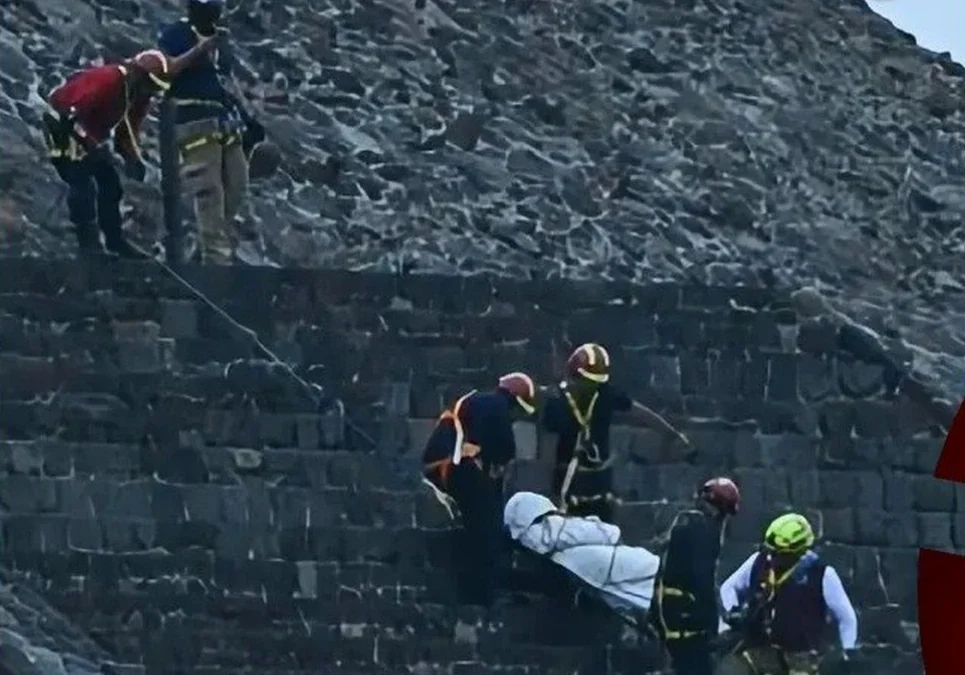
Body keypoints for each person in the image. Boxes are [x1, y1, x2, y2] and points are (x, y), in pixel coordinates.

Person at [42, 42, 216, 257]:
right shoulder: (109, 79)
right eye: (150, 85)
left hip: (88, 137)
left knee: (111, 185)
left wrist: (132, 158)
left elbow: (127, 130)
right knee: (82, 183)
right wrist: (89, 143)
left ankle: (115, 241)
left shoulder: (137, 95)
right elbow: (70, 111)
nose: (150, 92)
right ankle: (87, 244)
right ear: (138, 74)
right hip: (61, 125)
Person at [157, 0, 265, 264]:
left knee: (237, 186)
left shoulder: (220, 39)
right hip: (193, 118)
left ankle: (205, 246)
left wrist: (246, 114)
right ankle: (215, 261)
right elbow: (166, 69)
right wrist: (200, 50)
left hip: (225, 117)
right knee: (209, 191)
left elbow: (225, 79)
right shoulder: (175, 35)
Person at [422, 372, 538, 606]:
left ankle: (482, 587)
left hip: (441, 465)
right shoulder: (496, 407)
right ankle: (483, 593)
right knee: (488, 525)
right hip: (451, 467)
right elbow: (505, 448)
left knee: (485, 516)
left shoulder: (478, 401)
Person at [541, 342, 691, 521]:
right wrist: (549, 497)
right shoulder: (556, 402)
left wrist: (673, 435)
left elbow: (639, 412)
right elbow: (547, 448)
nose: (592, 387)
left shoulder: (605, 393)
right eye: (588, 382)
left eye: (596, 383)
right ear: (575, 376)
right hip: (568, 481)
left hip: (599, 482)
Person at [716, 513, 859, 675]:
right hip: (762, 649)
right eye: (771, 551)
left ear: (797, 552)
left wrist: (848, 651)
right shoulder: (758, 561)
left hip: (802, 655)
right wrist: (733, 612)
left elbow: (847, 618)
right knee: (730, 669)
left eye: (779, 553)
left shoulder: (822, 575)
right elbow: (728, 588)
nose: (772, 557)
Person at [651, 477, 741, 675]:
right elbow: (703, 580)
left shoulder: (684, 522)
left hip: (670, 611)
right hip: (690, 618)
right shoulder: (704, 531)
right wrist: (714, 625)